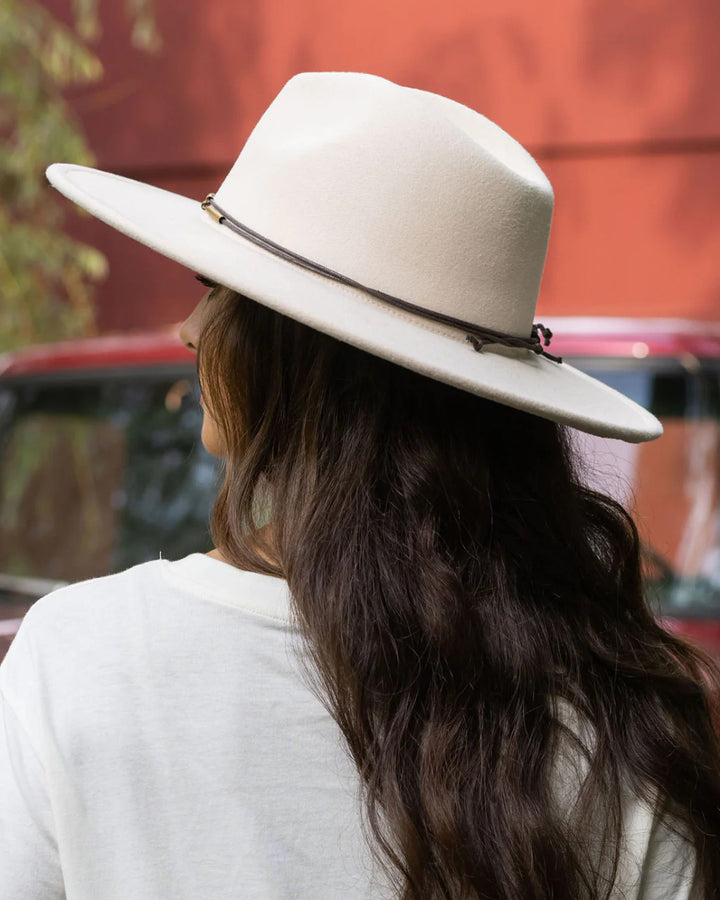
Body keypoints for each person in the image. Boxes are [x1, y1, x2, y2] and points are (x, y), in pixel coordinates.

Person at [1, 71, 719, 899]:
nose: (189, 331)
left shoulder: (80, 659)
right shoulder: (624, 718)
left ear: (300, 362)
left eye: (218, 293)